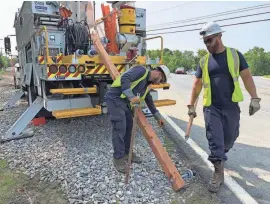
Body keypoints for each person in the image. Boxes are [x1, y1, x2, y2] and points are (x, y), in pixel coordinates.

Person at [187, 22, 261, 192]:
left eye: (209, 40)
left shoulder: (235, 55)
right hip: (211, 107)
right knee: (215, 139)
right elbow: (196, 85)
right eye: (204, 41)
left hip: (231, 106)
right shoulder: (204, 61)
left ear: (220, 36)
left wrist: (255, 98)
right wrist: (191, 105)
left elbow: (247, 78)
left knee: (230, 136)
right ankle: (218, 172)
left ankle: (221, 152)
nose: (207, 45)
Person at [104, 64, 170, 173]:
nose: (159, 83)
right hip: (114, 98)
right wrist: (131, 96)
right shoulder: (141, 70)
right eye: (161, 80)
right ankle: (118, 159)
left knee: (129, 127)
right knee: (120, 127)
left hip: (124, 103)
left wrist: (158, 117)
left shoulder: (147, 85)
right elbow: (125, 78)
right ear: (158, 73)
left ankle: (127, 153)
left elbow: (149, 101)